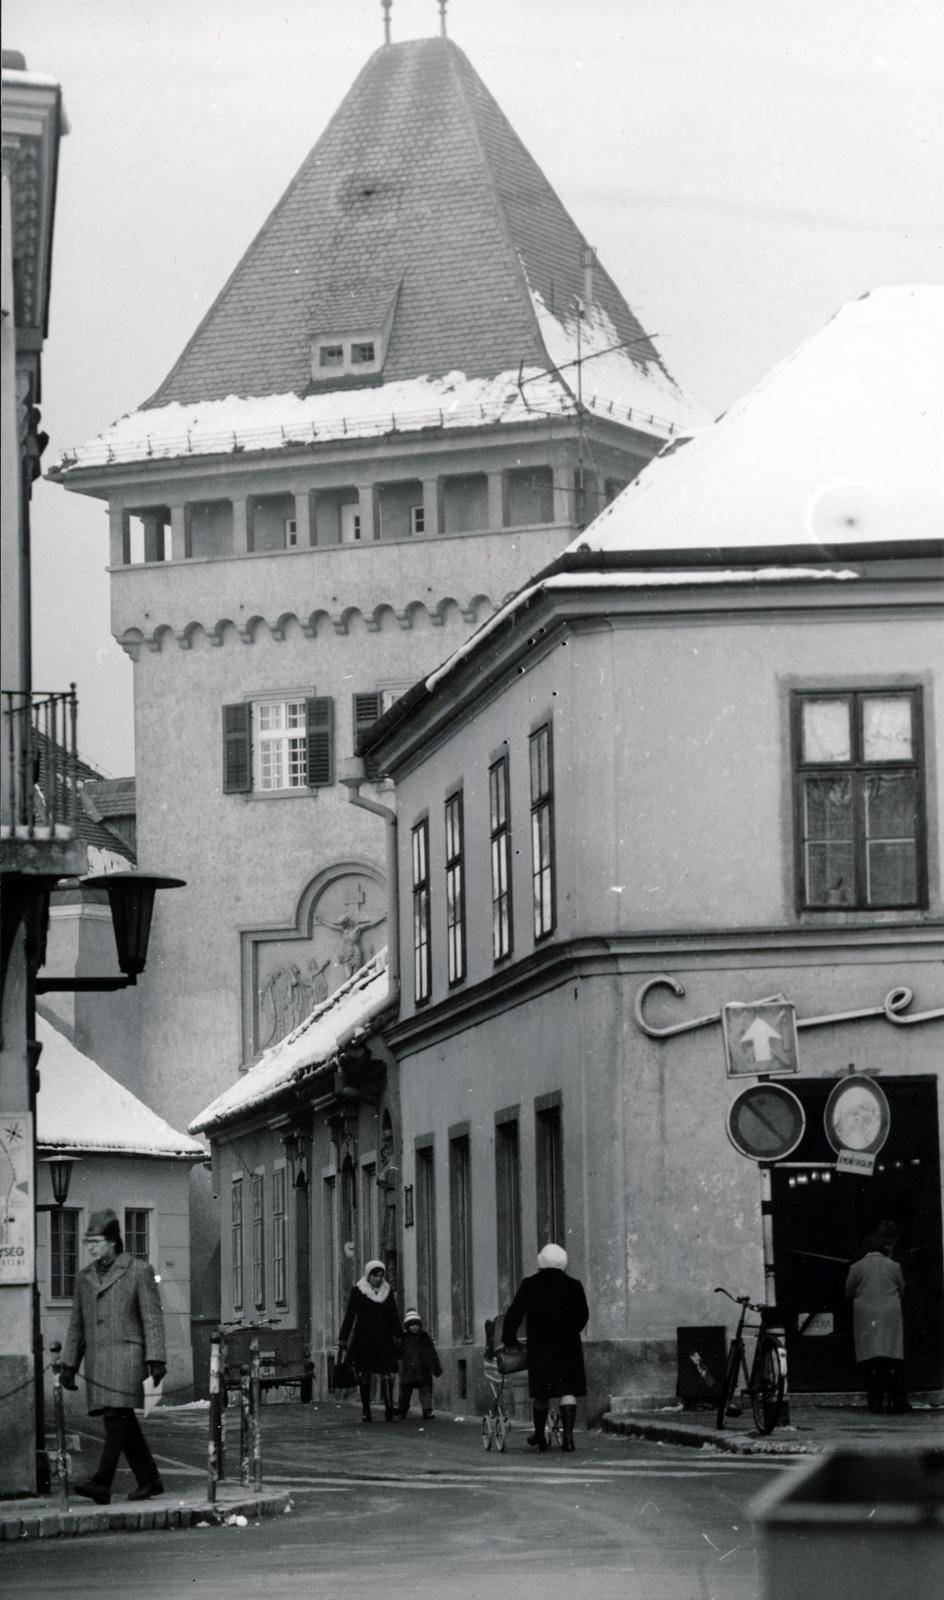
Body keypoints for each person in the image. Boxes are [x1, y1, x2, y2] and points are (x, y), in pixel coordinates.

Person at [61, 1208, 167, 1504]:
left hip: (127, 1355)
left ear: (112, 1241)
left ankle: (101, 1483)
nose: (91, 1247)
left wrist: (156, 1359)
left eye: (95, 1241)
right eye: (88, 1242)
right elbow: (76, 1325)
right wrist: (69, 1364)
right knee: (122, 1421)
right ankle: (149, 1480)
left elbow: (152, 1318)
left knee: (116, 1418)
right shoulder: (84, 1278)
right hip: (98, 1359)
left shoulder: (138, 1270)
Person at [502, 1243, 589, 1452]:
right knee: (568, 1389)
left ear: (541, 1262)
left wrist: (510, 1338)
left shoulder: (530, 1284)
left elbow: (515, 1313)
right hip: (568, 1344)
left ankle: (540, 1435)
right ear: (563, 1263)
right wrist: (571, 1331)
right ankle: (568, 1439)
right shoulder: (574, 1285)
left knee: (542, 1391)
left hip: (541, 1345)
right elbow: (583, 1315)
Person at [845, 1220, 908, 1414]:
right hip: (889, 1315)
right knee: (891, 1358)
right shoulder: (894, 1266)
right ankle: (897, 1401)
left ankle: (875, 1401)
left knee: (871, 1359)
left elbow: (848, 1292)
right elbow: (902, 1289)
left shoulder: (856, 1267)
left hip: (867, 1317)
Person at [337, 1258, 402, 1422]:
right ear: (368, 1276)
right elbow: (350, 1315)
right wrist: (343, 1337)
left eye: (381, 1275)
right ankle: (366, 1409)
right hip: (364, 1338)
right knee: (365, 1373)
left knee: (386, 1372)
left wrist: (398, 1335)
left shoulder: (387, 1291)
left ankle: (388, 1407)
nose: (379, 1279)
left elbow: (394, 1315)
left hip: (384, 1337)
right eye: (375, 1276)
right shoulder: (358, 1291)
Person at [397, 1308, 442, 1419]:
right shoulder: (403, 1338)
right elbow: (398, 1353)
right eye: (412, 1325)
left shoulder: (425, 1337)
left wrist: (436, 1367)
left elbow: (432, 1352)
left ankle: (427, 1411)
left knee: (425, 1390)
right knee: (405, 1392)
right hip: (408, 1370)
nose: (415, 1327)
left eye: (417, 1324)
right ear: (407, 1326)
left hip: (423, 1369)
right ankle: (402, 1411)